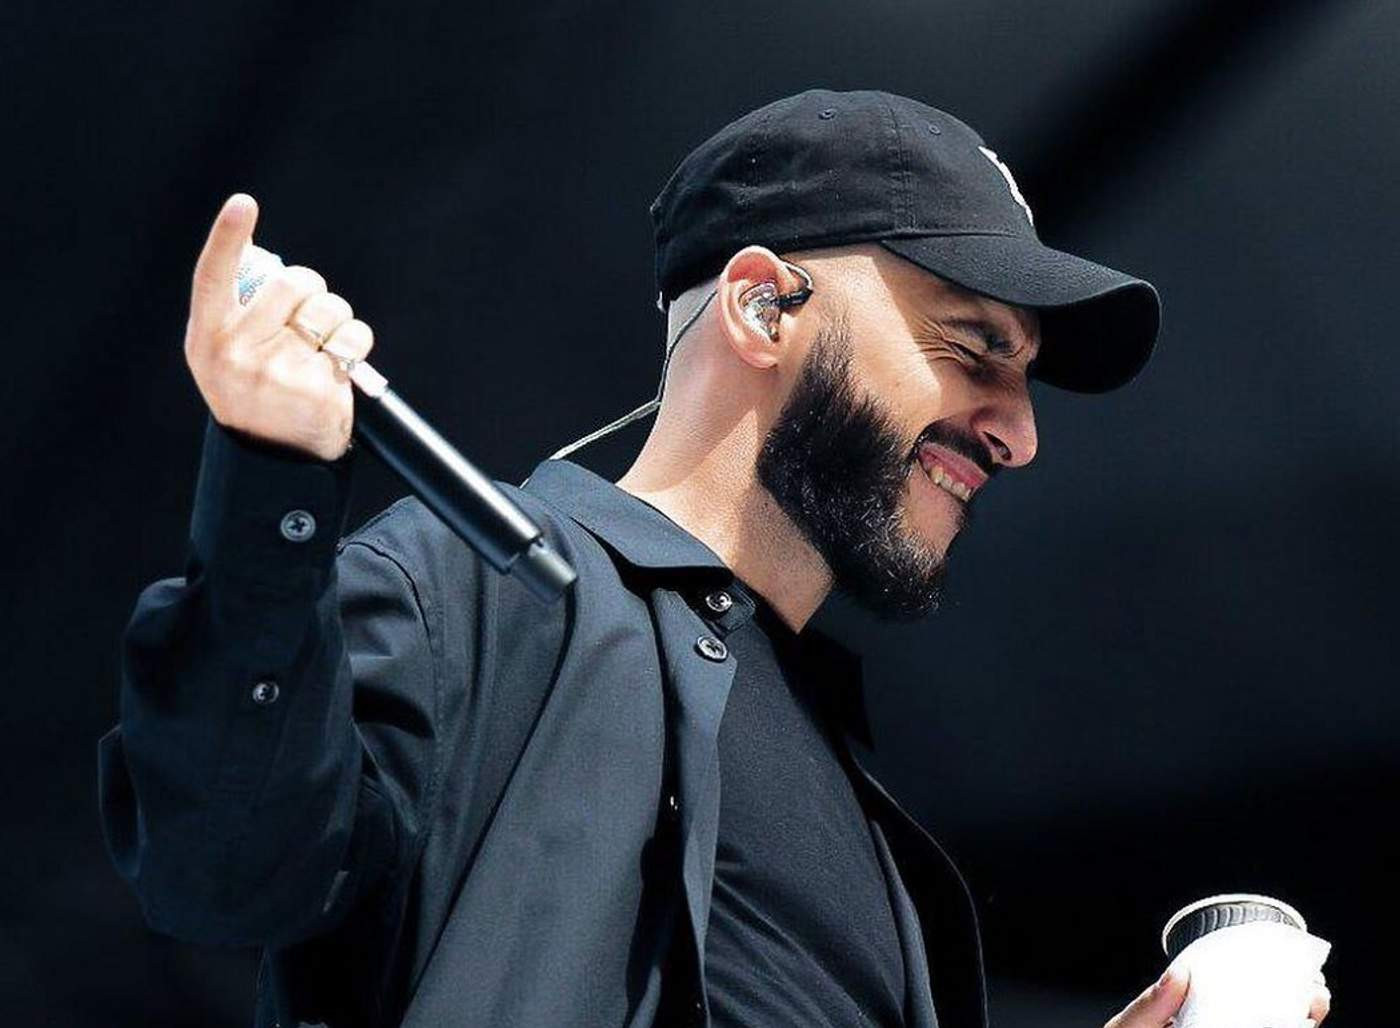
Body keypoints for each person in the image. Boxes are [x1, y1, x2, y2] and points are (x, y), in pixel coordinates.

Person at [98, 89, 1331, 1028]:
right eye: (971, 349)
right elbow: (225, 870)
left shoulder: (848, 800)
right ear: (758, 305)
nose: (1018, 432)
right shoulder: (480, 590)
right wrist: (270, 477)